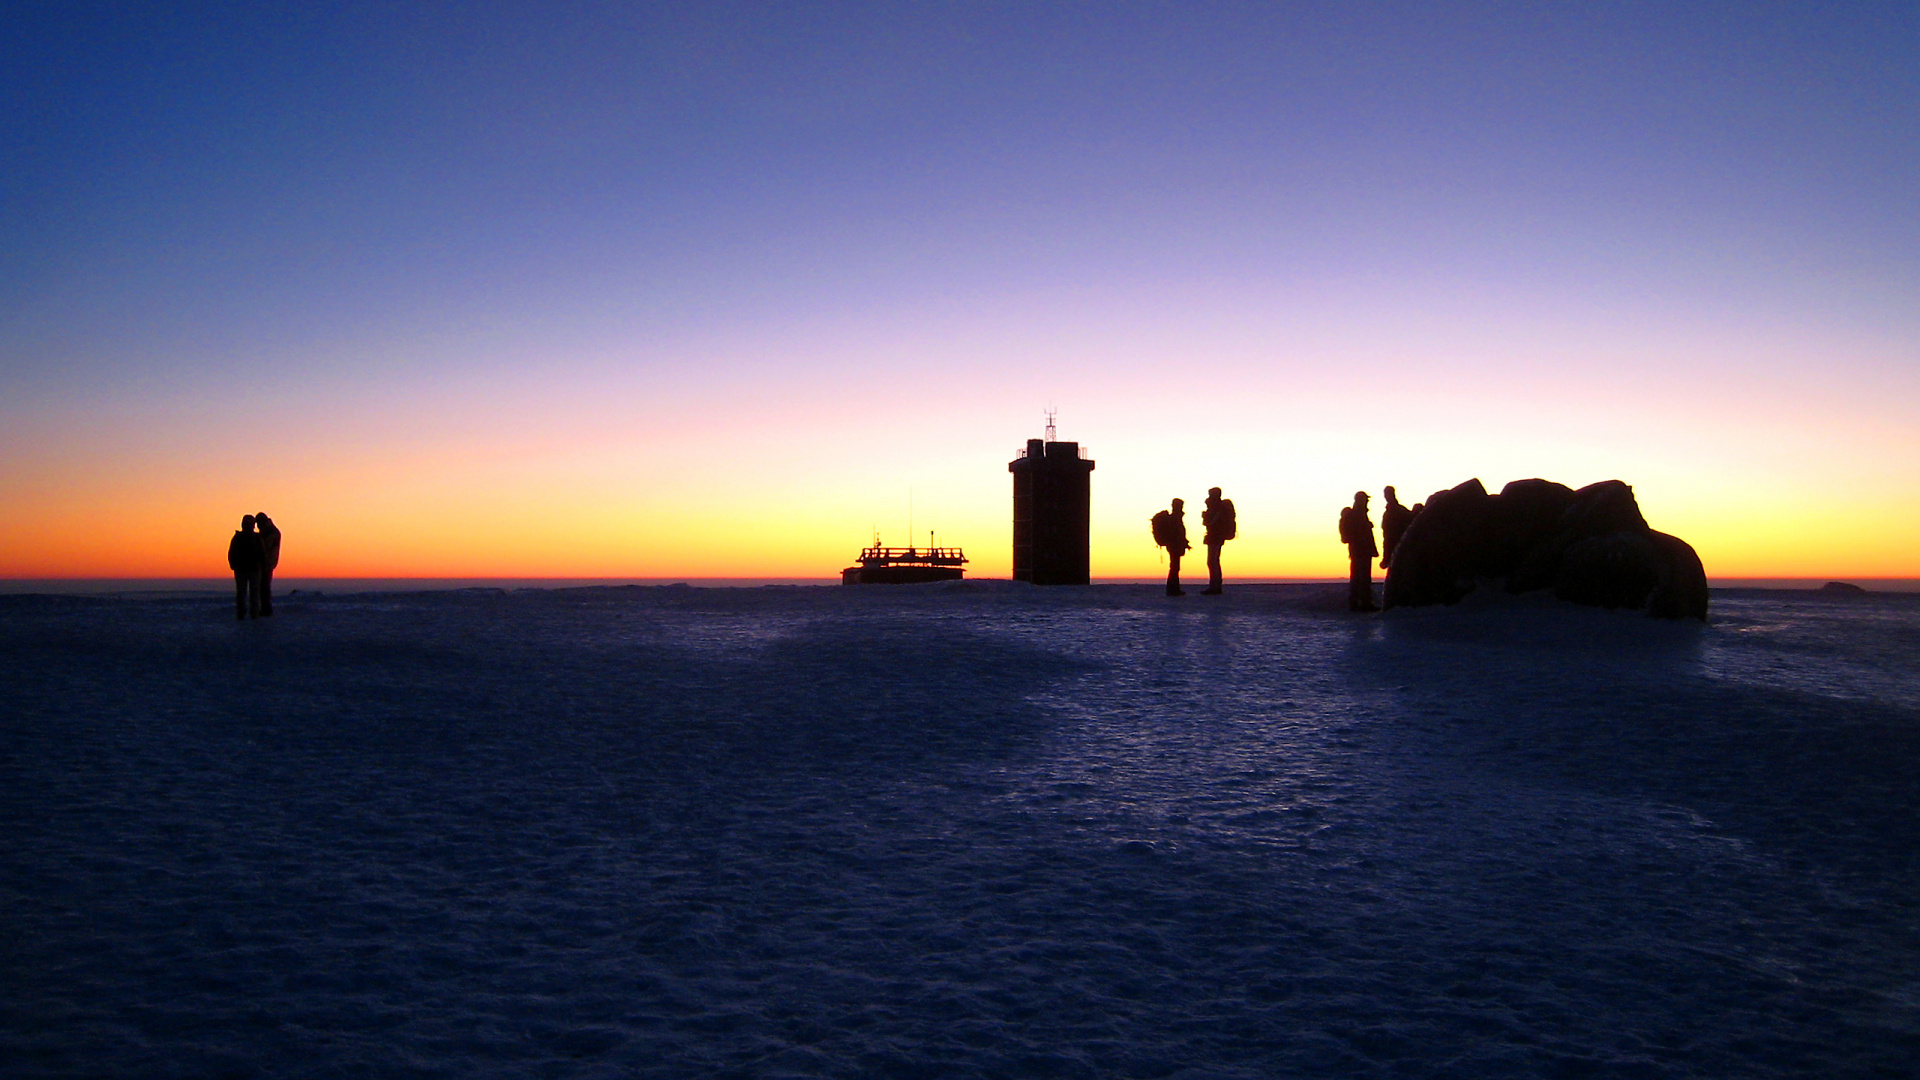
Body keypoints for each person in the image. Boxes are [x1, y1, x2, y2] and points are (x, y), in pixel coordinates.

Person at [1338, 491, 1379, 612]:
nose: (1367, 502)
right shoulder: (1356, 515)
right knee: (1361, 578)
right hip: (1360, 551)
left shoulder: (1360, 514)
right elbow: (1352, 536)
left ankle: (1359, 603)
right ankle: (1362, 604)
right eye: (1365, 500)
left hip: (1361, 551)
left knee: (1360, 577)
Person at [1151, 498, 1191, 596]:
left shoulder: (1174, 517)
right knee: (1174, 567)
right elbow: (1178, 532)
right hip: (1174, 545)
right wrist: (1183, 542)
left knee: (1174, 567)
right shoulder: (1175, 517)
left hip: (1172, 544)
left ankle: (1173, 589)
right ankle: (1173, 589)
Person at [227, 515, 264, 620]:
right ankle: (250, 613)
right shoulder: (253, 538)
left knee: (245, 593)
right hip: (247, 569)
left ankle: (246, 613)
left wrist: (233, 565)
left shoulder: (241, 537)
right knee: (249, 593)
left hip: (247, 569)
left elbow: (231, 553)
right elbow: (262, 554)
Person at [1200, 487, 1236, 595]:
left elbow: (1209, 522)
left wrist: (1206, 517)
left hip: (1215, 535)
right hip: (1217, 535)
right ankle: (1215, 585)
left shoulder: (1218, 507)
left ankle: (1215, 586)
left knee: (1212, 561)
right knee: (1214, 561)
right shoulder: (1219, 506)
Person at [254, 512, 281, 616]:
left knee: (264, 587)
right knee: (263, 587)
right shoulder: (269, 531)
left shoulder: (270, 532)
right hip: (267, 562)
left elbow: (265, 547)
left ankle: (266, 609)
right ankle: (265, 608)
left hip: (267, 563)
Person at [1379, 486, 1412, 570]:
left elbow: (1388, 536)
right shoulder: (1398, 510)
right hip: (1396, 546)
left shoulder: (1398, 511)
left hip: (1398, 546)